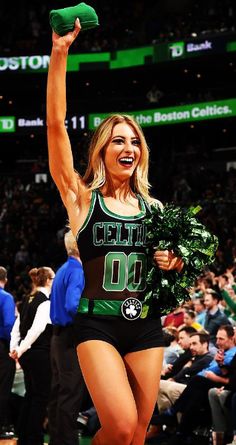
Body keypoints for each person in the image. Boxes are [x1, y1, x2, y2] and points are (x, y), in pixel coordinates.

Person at [47, 19, 185, 445]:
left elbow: (171, 271)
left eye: (135, 142)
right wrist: (60, 53)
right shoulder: (82, 198)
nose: (129, 148)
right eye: (118, 141)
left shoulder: (154, 208)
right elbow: (56, 126)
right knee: (122, 426)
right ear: (102, 151)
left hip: (145, 323)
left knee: (136, 436)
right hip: (98, 325)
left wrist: (172, 261)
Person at [48, 230, 87, 445]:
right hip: (70, 338)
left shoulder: (63, 269)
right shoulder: (78, 271)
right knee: (70, 393)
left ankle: (56, 439)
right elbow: (73, 305)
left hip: (57, 338)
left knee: (58, 392)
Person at [10, 266, 55, 445]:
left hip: (27, 354)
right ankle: (34, 438)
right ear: (48, 280)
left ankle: (24, 436)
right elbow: (37, 329)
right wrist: (20, 349)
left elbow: (16, 328)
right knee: (40, 397)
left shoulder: (26, 299)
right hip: (39, 353)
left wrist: (16, 349)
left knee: (31, 395)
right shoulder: (45, 302)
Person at [0, 266, 16, 439]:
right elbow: (8, 326)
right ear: (6, 279)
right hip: (2, 346)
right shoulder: (6, 298)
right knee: (3, 387)